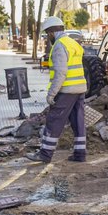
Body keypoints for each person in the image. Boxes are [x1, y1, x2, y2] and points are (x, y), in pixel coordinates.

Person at [26, 16, 87, 163]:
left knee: (54, 121)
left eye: (48, 34)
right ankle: (80, 154)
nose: (48, 38)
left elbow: (60, 73)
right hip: (79, 89)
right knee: (78, 122)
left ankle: (45, 154)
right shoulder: (73, 43)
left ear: (52, 32)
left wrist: (51, 94)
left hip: (66, 91)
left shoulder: (60, 46)